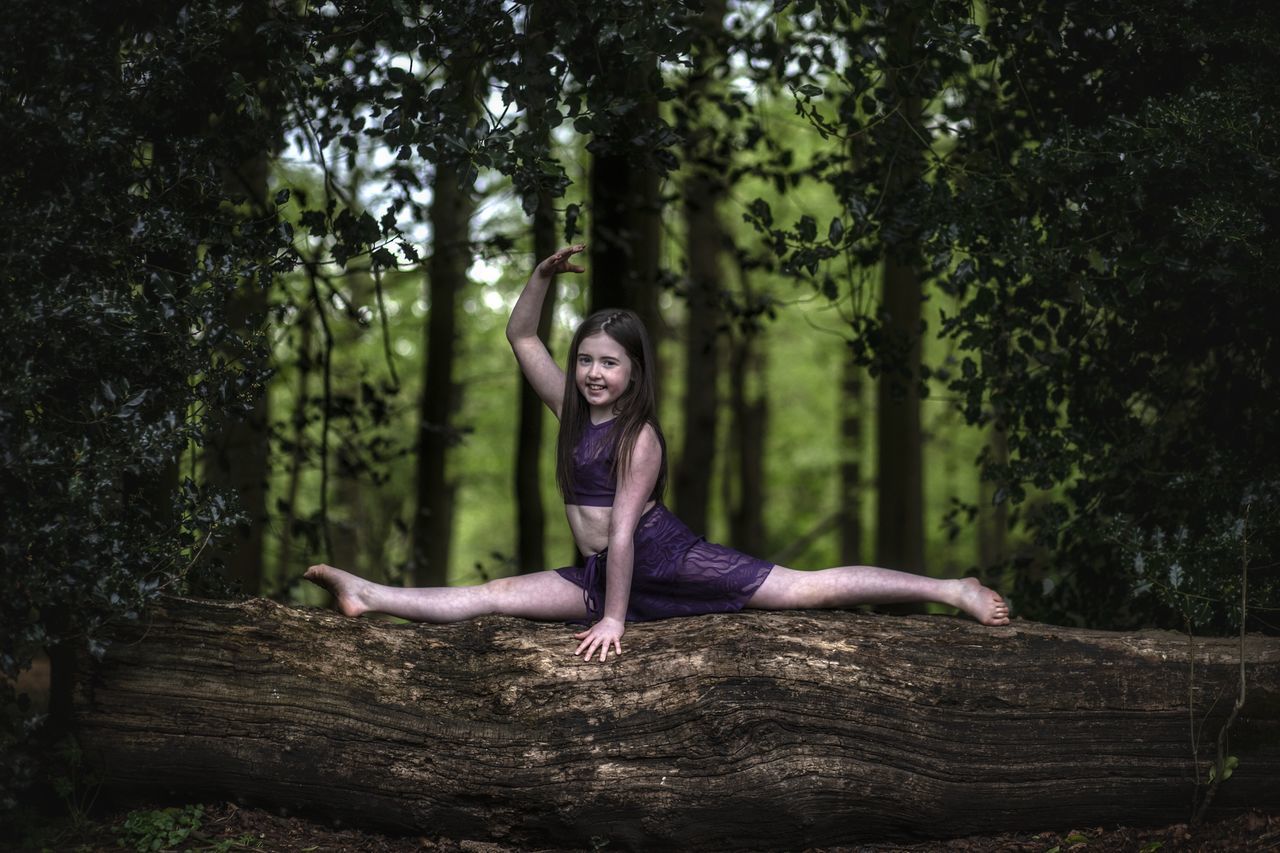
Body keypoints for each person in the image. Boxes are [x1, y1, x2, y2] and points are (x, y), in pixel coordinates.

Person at [305, 244, 1010, 662]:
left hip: (662, 557)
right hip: (598, 569)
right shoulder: (570, 410)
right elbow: (523, 339)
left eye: (608, 362)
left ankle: (952, 589)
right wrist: (543, 277)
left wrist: (614, 619)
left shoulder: (639, 437)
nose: (592, 372)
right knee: (491, 596)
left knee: (805, 587)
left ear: (635, 371)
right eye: (585, 359)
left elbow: (623, 537)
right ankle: (368, 593)